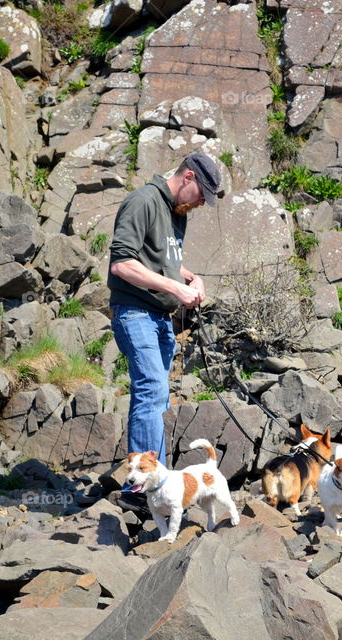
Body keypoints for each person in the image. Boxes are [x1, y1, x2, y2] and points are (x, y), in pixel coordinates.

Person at [108, 152, 221, 466]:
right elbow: (122, 264)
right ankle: (144, 487)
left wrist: (192, 278)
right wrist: (176, 288)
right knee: (152, 390)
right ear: (188, 178)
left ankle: (149, 481)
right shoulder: (142, 201)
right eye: (202, 195)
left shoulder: (178, 213)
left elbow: (166, 261)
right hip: (134, 312)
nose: (202, 203)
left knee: (156, 398)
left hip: (160, 318)